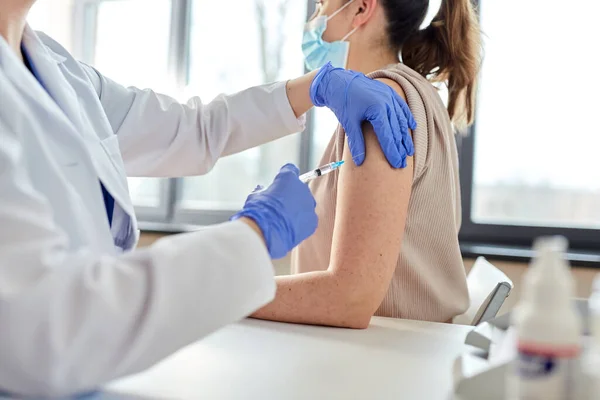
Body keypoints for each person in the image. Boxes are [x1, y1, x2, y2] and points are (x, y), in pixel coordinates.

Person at [0, 0, 417, 397]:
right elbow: (45, 329)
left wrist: (313, 87)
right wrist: (253, 236)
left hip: (95, 362)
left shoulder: (57, 69)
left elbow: (191, 128)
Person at [251, 0, 482, 328]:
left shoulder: (381, 106)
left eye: (320, 5)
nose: (314, 20)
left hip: (380, 365)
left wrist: (233, 292)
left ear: (360, 9)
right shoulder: (407, 92)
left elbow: (349, 297)